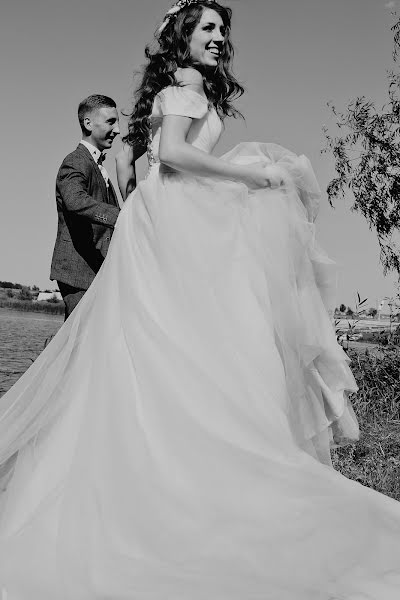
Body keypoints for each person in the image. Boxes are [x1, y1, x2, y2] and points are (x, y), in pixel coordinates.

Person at [1, 1, 400, 598]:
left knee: (166, 355)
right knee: (193, 347)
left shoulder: (182, 83)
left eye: (223, 29)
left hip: (171, 221)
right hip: (174, 223)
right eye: (207, 28)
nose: (219, 37)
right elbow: (177, 154)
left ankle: (172, 475)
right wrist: (252, 178)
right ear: (182, 37)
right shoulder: (184, 83)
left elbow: (155, 164)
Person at [50, 94, 121, 319]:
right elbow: (75, 201)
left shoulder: (96, 164)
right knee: (77, 345)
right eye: (111, 122)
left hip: (96, 271)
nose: (118, 129)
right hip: (79, 272)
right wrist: (122, 216)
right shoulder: (75, 161)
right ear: (88, 123)